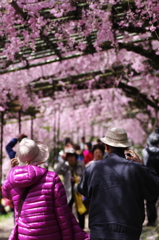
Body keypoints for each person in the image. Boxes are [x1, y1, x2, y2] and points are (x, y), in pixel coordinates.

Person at [78, 127, 159, 240]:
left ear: (106, 147)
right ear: (125, 148)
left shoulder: (92, 168)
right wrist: (141, 165)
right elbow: (154, 189)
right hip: (128, 232)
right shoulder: (136, 168)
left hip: (99, 231)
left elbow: (83, 189)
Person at [2, 138, 90, 240]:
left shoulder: (13, 180)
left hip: (25, 235)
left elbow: (6, 194)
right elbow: (62, 213)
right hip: (51, 233)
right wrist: (67, 236)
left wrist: (13, 172)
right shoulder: (52, 178)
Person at [54, 148, 86, 229]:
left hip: (79, 191)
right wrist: (62, 160)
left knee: (80, 210)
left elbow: (85, 176)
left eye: (72, 156)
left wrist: (77, 179)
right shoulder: (65, 165)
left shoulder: (81, 164)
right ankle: (69, 227)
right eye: (68, 156)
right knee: (67, 210)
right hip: (68, 191)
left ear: (75, 156)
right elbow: (56, 171)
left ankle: (81, 228)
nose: (71, 158)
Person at [142, 127, 159, 226]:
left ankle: (152, 221)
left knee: (151, 201)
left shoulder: (145, 152)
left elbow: (145, 164)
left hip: (150, 179)